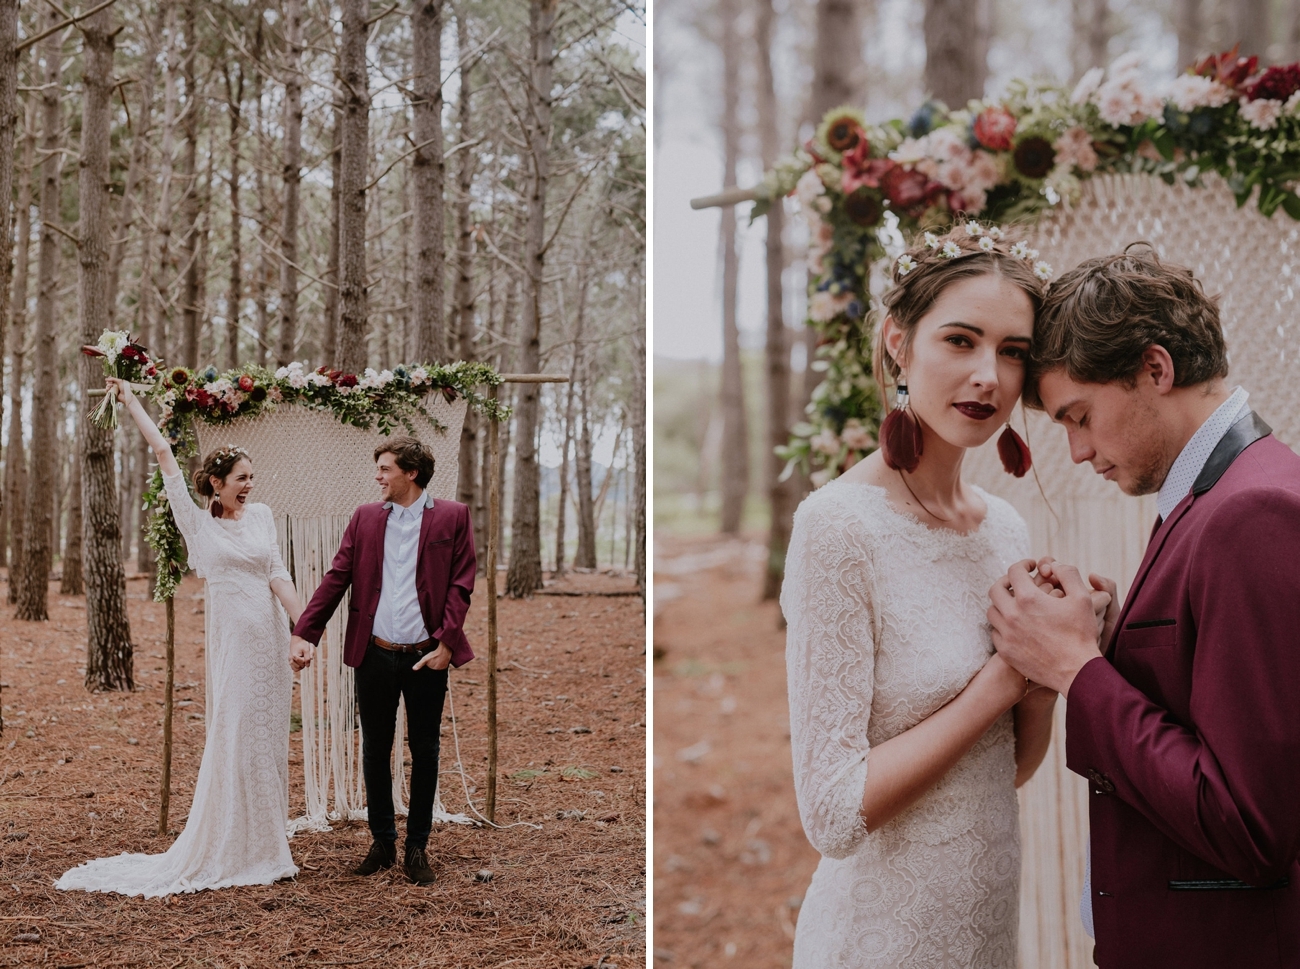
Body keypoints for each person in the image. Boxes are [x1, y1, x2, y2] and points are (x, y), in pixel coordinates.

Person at [986, 245, 1300, 969]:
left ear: (1155, 370)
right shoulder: (1213, 494)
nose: (1076, 451)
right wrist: (1111, 638)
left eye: (1080, 415)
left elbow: (1249, 826)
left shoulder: (1251, 513)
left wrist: (1077, 669)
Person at [782, 225, 1080, 968]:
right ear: (898, 343)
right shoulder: (838, 528)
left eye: (1013, 351)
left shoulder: (1004, 528)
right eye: (961, 340)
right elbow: (833, 813)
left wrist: (1042, 682)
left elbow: (1001, 767)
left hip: (984, 927)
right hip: (877, 938)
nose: (989, 375)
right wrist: (1002, 679)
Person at [57, 377, 303, 897]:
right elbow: (163, 449)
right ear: (215, 482)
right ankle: (231, 843)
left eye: (252, 477)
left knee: (267, 736)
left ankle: (267, 841)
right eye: (240, 477)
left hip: (270, 637)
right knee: (236, 730)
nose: (249, 485)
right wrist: (128, 399)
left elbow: (278, 572)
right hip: (234, 641)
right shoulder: (195, 522)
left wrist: (304, 628)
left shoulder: (261, 516)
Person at [290, 436, 475, 886]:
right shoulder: (366, 517)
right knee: (374, 749)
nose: (378, 476)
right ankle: (382, 841)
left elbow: (461, 583)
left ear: (411, 473)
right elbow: (337, 577)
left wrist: (446, 643)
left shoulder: (453, 516)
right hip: (373, 652)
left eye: (386, 469)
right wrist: (304, 632)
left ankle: (417, 847)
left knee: (425, 750)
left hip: (425, 657)